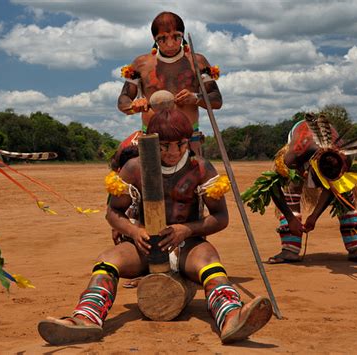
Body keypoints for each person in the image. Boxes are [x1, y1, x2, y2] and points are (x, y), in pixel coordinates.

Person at [37, 109, 272, 345]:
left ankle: (231, 317)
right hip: (145, 246)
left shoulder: (200, 168)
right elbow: (113, 212)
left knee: (210, 263)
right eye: (165, 145)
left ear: (188, 141)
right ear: (151, 142)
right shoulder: (133, 168)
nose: (173, 152)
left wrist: (186, 230)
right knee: (106, 260)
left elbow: (221, 217)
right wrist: (134, 232)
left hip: (188, 246)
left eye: (180, 144)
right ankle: (86, 319)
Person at [244, 113, 357, 265]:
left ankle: (355, 249)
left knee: (345, 196)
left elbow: (332, 188)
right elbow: (274, 186)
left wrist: (314, 216)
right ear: (310, 166)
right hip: (301, 142)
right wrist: (290, 218)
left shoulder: (344, 159)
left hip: (325, 156)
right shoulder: (294, 156)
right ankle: (290, 250)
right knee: (291, 189)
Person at [117, 11, 222, 157]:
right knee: (150, 179)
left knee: (193, 179)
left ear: (183, 36)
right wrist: (134, 105)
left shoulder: (197, 62)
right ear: (154, 39)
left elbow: (216, 100)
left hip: (189, 138)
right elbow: (123, 100)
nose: (170, 43)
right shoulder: (141, 64)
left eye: (176, 36)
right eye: (162, 39)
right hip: (152, 138)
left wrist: (196, 97)